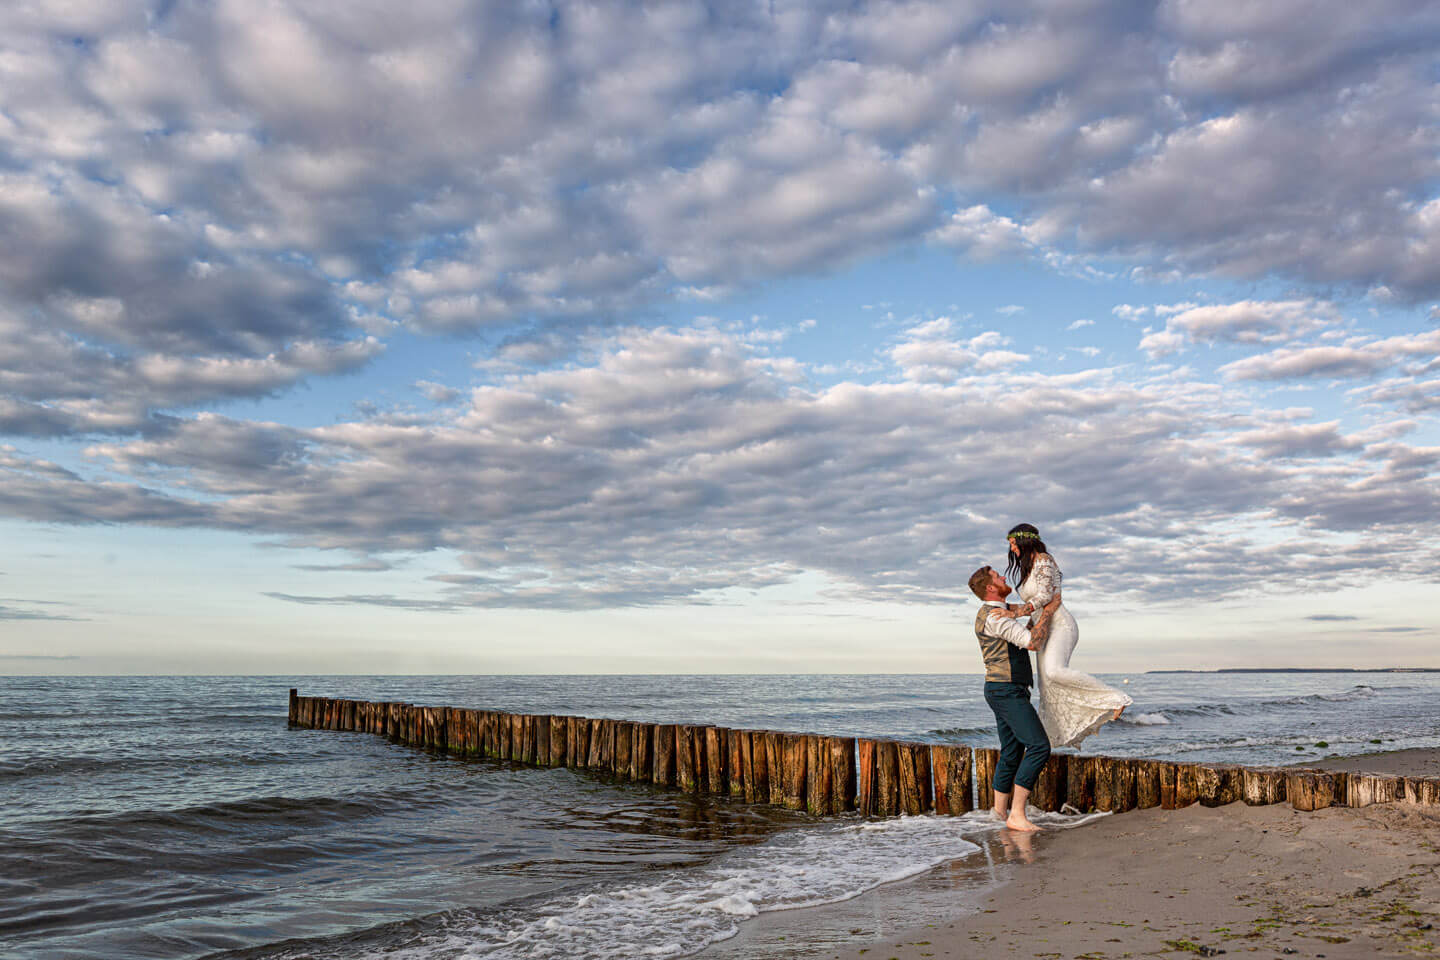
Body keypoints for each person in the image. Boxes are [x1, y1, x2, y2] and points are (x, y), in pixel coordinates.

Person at [1003, 523, 1132, 748]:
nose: (1012, 550)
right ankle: (1053, 738)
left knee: (1055, 671)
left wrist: (1017, 611)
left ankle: (1115, 698)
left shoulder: (1044, 558)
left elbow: (1045, 596)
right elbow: (1039, 600)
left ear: (1024, 541)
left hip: (1061, 626)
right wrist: (1007, 610)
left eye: (1014, 544)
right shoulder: (1029, 566)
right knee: (1047, 686)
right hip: (1043, 628)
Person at [967, 563, 1062, 832]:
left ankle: (998, 813)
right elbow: (1032, 642)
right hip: (1006, 690)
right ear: (990, 587)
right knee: (1039, 747)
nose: (1004, 577)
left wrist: (1036, 614)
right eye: (998, 576)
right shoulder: (995, 617)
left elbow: (1021, 634)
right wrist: (1050, 611)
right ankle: (1017, 815)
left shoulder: (998, 615)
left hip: (1001, 689)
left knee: (1011, 751)